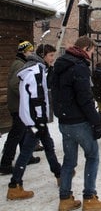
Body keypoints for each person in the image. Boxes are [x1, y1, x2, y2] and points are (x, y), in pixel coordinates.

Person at [52, 36, 101, 211]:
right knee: (92, 156)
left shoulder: (60, 65)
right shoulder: (79, 67)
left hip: (64, 121)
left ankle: (65, 198)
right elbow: (85, 98)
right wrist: (96, 122)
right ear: (86, 48)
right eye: (91, 51)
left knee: (69, 161)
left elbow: (55, 92)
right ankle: (89, 198)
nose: (91, 55)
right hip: (79, 121)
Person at [7, 47, 62, 200]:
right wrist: (39, 119)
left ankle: (59, 173)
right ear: (43, 56)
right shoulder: (36, 70)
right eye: (51, 55)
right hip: (36, 119)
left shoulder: (36, 69)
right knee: (26, 152)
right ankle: (14, 185)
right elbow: (37, 97)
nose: (53, 58)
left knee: (48, 145)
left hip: (35, 118)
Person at [0, 41, 40, 175]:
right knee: (16, 134)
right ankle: (5, 163)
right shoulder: (19, 64)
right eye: (30, 51)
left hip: (19, 105)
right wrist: (28, 95)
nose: (31, 53)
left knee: (23, 132)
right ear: (24, 52)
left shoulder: (20, 63)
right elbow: (14, 84)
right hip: (18, 106)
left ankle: (27, 157)